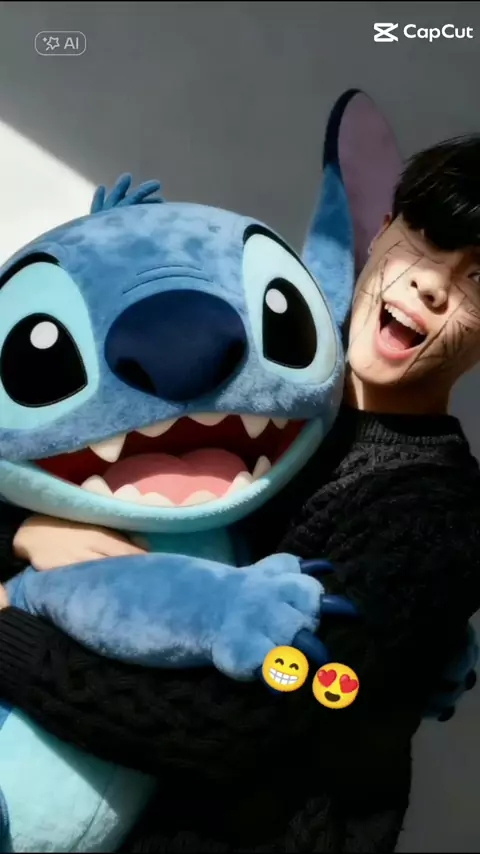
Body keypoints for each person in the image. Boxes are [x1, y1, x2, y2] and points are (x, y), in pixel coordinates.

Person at [1, 134, 480, 853]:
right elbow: (46, 453)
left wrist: (8, 623)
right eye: (425, 242)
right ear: (382, 232)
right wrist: (27, 534)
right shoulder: (272, 361)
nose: (433, 286)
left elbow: (224, 727)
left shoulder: (431, 514)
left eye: (477, 278)